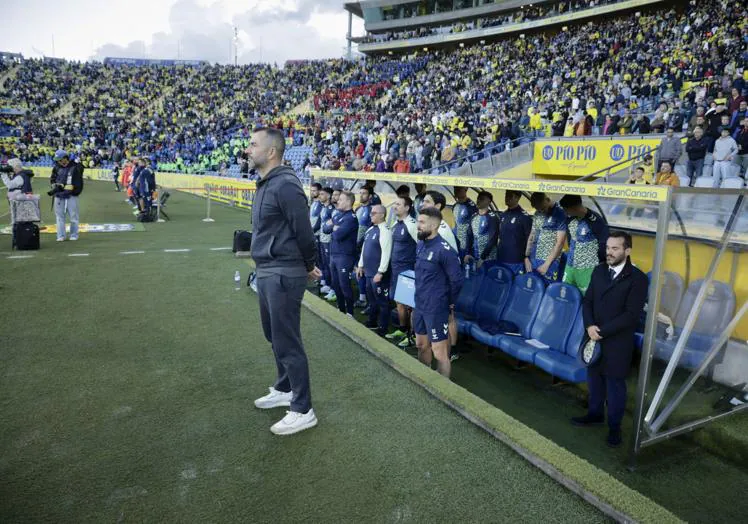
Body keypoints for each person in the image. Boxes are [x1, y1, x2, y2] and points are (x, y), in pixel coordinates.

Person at [247, 127, 321, 436]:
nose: (247, 149)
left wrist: (309, 265)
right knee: (273, 335)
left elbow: (303, 231)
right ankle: (285, 387)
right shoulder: (266, 183)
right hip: (267, 270)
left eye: (253, 144)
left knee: (288, 340)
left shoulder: (287, 185)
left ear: (272, 152)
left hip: (283, 272)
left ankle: (303, 408)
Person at [571, 231, 648, 448]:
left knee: (615, 386)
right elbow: (587, 302)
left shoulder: (637, 279)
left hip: (617, 342)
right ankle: (595, 415)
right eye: (608, 248)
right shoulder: (599, 270)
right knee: (594, 379)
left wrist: (601, 331)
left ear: (627, 251)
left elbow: (631, 315)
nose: (610, 252)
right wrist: (589, 326)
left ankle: (615, 428)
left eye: (615, 248)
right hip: (593, 337)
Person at [413, 207, 464, 378]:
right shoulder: (420, 244)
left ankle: (444, 390)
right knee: (421, 345)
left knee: (439, 353)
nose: (417, 225)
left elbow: (457, 281)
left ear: (434, 225)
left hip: (436, 307)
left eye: (421, 222)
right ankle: (424, 379)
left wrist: (449, 303)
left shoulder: (445, 250)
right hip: (419, 304)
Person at [559, 195, 609, 294]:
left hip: (587, 267)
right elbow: (570, 239)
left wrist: (597, 262)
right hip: (570, 265)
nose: (565, 213)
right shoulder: (570, 219)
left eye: (566, 210)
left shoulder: (595, 221)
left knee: (586, 297)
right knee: (565, 294)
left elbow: (603, 244)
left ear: (575, 208)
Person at [386, 195, 418, 345]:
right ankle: (403, 329)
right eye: (394, 204)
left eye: (398, 204)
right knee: (398, 301)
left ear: (407, 207)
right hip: (395, 269)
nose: (395, 206)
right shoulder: (396, 223)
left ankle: (412, 336)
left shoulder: (412, 224)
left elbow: (421, 245)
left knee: (409, 304)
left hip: (408, 271)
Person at [356, 204, 392, 336]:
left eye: (374, 213)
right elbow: (364, 249)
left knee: (382, 301)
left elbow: (386, 252)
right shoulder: (370, 229)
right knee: (371, 299)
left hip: (378, 274)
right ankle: (372, 321)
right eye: (371, 213)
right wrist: (360, 265)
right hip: (368, 272)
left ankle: (383, 327)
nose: (371, 215)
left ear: (382, 215)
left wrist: (381, 272)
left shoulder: (385, 231)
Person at [525, 192, 567, 283]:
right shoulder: (537, 213)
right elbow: (531, 236)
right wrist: (526, 257)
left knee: (547, 288)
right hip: (533, 258)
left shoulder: (560, 213)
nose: (541, 211)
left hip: (549, 261)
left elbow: (559, 243)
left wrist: (546, 264)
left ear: (547, 200)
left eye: (543, 208)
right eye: (538, 209)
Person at [330, 190, 359, 316]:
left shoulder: (351, 218)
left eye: (341, 199)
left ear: (348, 202)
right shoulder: (337, 215)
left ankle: (350, 313)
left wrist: (334, 227)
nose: (338, 201)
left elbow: (338, 235)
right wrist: (334, 227)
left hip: (345, 256)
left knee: (344, 285)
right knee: (336, 285)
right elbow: (325, 228)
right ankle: (341, 310)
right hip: (334, 254)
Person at [49, 150, 84, 242]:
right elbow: (52, 179)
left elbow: (79, 179)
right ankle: (60, 235)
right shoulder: (56, 168)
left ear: (66, 158)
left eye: (60, 160)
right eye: (58, 160)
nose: (59, 162)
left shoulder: (75, 167)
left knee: (73, 216)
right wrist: (54, 185)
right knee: (59, 216)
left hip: (72, 195)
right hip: (59, 195)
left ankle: (74, 235)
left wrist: (75, 191)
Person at [497, 190, 532, 274]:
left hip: (516, 261)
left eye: (509, 195)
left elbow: (530, 239)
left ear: (517, 198)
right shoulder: (503, 215)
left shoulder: (524, 217)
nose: (506, 197)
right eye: (506, 195)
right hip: (501, 257)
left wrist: (527, 257)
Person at [464, 191, 500, 269]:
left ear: (489, 202)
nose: (478, 200)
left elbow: (493, 240)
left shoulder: (492, 218)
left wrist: (483, 258)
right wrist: (468, 253)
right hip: (474, 256)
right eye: (478, 198)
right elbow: (469, 235)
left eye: (482, 199)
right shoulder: (474, 216)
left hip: (488, 259)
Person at [355, 185, 375, 308]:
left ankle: (369, 301)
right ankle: (362, 297)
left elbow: (368, 230)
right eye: (360, 192)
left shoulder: (372, 210)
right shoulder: (358, 209)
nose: (361, 195)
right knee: (358, 272)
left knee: (365, 273)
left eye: (364, 193)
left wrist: (360, 243)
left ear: (370, 196)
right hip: (355, 247)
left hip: (364, 248)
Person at [452, 186, 478, 262]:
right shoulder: (455, 205)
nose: (456, 191)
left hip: (466, 243)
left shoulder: (471, 207)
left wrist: (469, 248)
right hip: (456, 241)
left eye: (459, 189)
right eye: (455, 188)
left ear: (466, 189)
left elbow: (473, 228)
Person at [318, 187, 336, 297]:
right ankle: (327, 284)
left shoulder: (331, 209)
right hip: (322, 238)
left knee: (329, 264)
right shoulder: (323, 207)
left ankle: (332, 288)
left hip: (328, 240)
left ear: (328, 196)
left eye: (322, 194)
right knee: (324, 262)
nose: (320, 196)